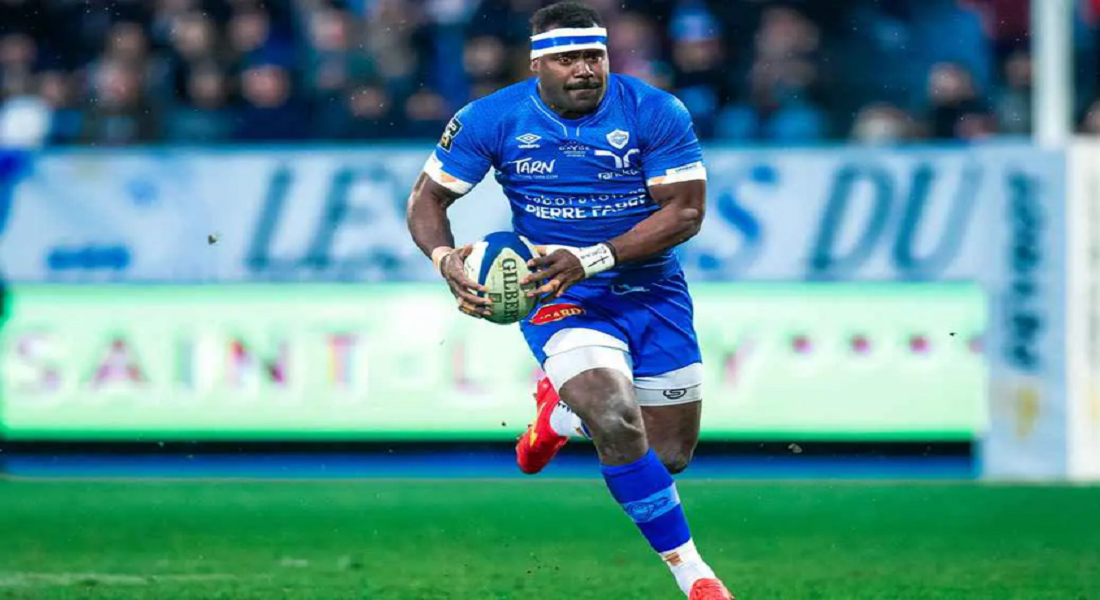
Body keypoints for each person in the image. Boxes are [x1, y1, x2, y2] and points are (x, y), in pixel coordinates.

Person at [405, 3, 731, 598]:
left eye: (593, 56)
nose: (584, 69)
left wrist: (592, 256)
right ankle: (695, 576)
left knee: (667, 454)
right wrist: (444, 258)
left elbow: (685, 213)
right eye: (567, 59)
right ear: (537, 64)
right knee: (614, 417)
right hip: (558, 291)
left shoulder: (655, 111)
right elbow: (428, 199)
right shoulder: (491, 118)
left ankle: (560, 415)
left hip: (652, 293)